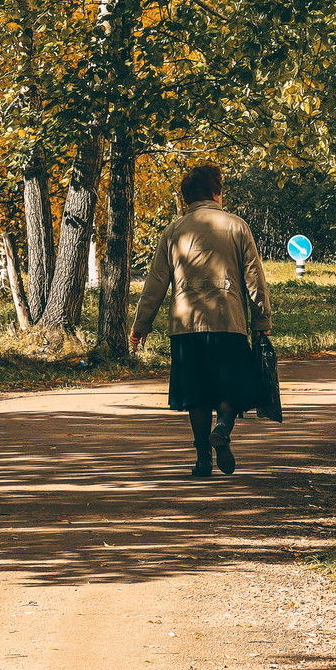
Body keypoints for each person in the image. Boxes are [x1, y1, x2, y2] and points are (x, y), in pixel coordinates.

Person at [129, 162, 273, 477]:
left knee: (196, 393)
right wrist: (261, 321)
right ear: (216, 191)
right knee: (231, 385)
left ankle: (202, 459)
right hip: (228, 321)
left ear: (187, 197)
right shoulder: (237, 226)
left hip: (185, 326)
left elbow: (155, 284)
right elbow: (255, 281)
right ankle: (222, 426)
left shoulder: (174, 231)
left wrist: (141, 325)